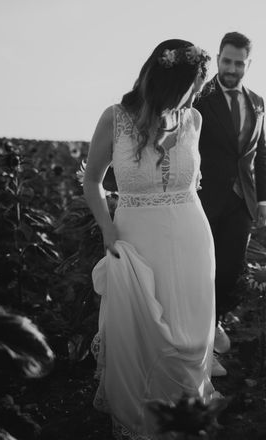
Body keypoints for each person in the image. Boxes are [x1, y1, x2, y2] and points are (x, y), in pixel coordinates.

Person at [84, 39, 216, 440]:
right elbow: (92, 181)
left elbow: (192, 181)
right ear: (170, 83)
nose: (196, 95)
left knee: (189, 328)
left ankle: (184, 413)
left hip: (191, 235)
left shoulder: (192, 120)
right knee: (140, 331)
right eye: (193, 85)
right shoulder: (116, 118)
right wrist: (107, 228)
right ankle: (140, 420)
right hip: (136, 237)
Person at [194, 32, 266, 376]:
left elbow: (260, 155)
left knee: (229, 271)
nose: (232, 68)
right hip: (203, 198)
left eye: (239, 63)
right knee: (201, 270)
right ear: (219, 59)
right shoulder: (199, 97)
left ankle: (214, 321)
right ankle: (199, 341)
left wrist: (264, 199)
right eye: (227, 61)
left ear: (247, 65)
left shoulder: (257, 102)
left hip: (242, 201)